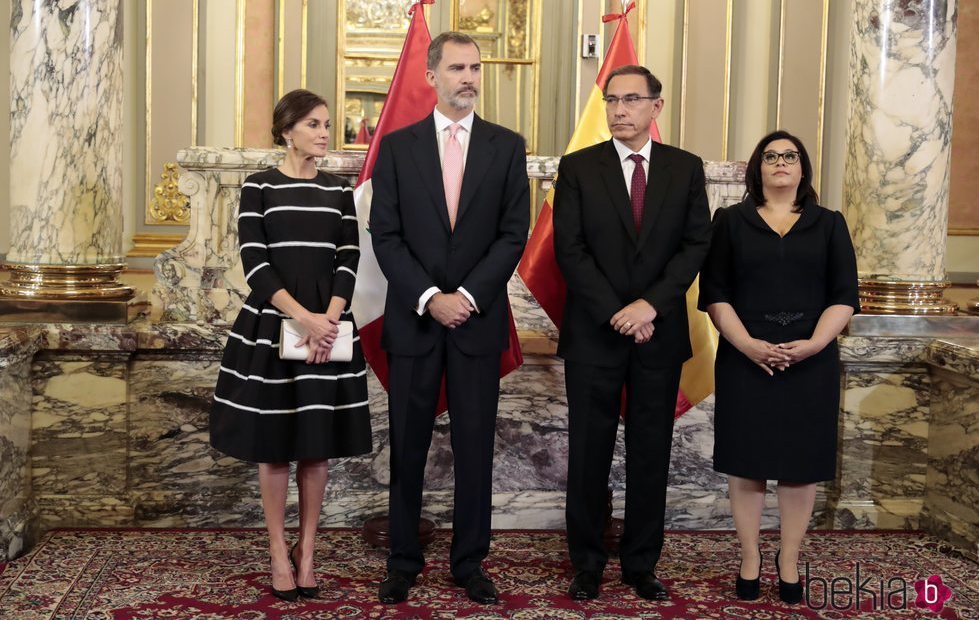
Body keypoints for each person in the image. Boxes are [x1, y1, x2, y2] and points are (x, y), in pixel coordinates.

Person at [369, 30, 530, 605]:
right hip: (414, 321)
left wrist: (467, 296)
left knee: (475, 446)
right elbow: (384, 235)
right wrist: (429, 297)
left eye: (475, 67)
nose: (469, 77)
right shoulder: (397, 146)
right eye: (457, 67)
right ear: (431, 76)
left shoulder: (508, 146)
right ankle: (402, 560)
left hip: (476, 321)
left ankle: (469, 562)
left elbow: (514, 234)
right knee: (408, 445)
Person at [553, 65, 712, 601]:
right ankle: (588, 563)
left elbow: (694, 247)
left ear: (655, 107)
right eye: (611, 100)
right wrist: (616, 312)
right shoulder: (578, 167)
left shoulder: (685, 169)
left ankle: (642, 564)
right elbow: (568, 250)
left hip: (659, 331)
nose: (619, 110)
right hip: (595, 332)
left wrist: (648, 306)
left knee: (651, 451)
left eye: (631, 100)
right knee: (589, 451)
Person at [210, 89, 372, 601]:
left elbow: (350, 259)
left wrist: (330, 317)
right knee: (275, 446)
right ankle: (278, 551)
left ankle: (308, 552)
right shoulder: (258, 187)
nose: (325, 132)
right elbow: (255, 264)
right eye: (314, 124)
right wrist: (304, 319)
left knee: (316, 448)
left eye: (327, 124)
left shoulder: (340, 192)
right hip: (273, 328)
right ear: (287, 130)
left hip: (328, 326)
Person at [698, 129, 859, 604]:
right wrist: (747, 344)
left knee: (798, 466)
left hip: (810, 360)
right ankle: (750, 556)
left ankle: (788, 558)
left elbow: (844, 296)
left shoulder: (830, 224)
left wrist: (813, 344)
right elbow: (715, 293)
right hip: (747, 359)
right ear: (759, 168)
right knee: (747, 464)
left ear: (803, 168)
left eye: (790, 156)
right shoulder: (730, 221)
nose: (781, 163)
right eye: (771, 157)